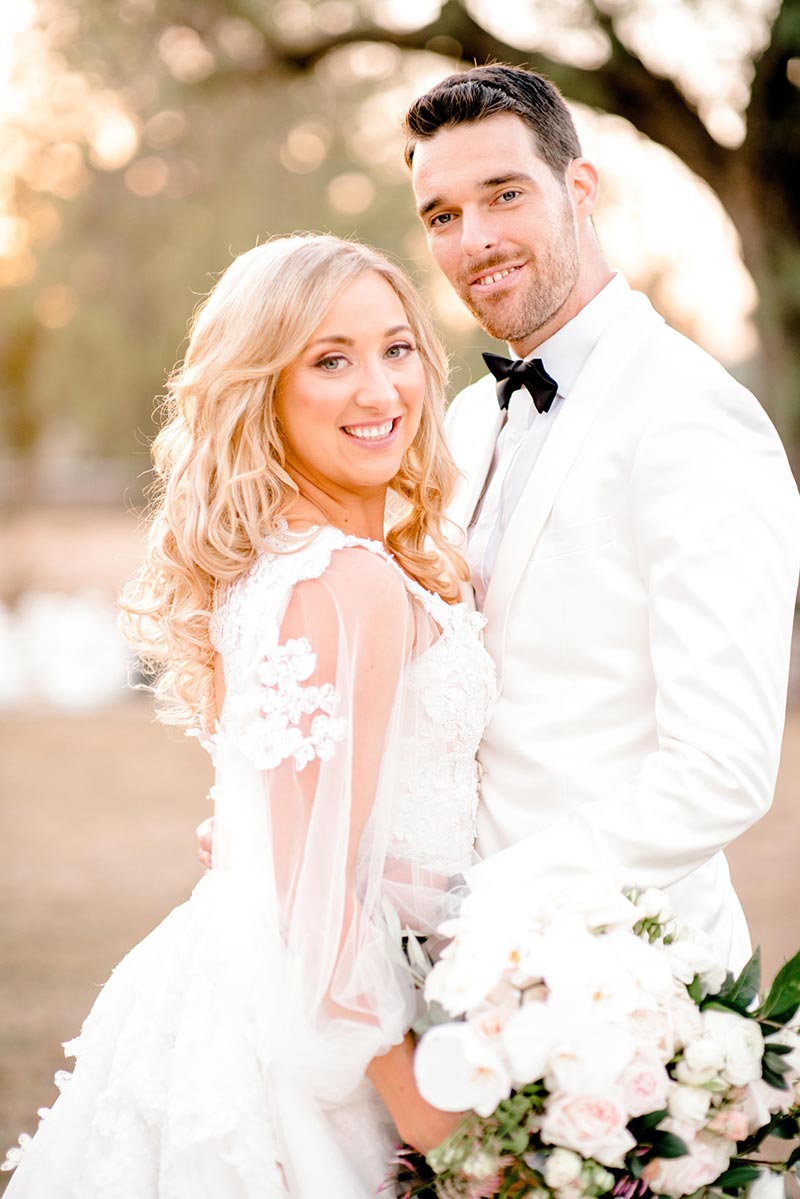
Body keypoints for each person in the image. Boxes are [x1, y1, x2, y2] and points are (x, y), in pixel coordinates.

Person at [2, 234, 496, 1197]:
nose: (380, 391)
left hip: (252, 980)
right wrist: (428, 1112)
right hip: (323, 1044)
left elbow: (293, 834)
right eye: (330, 360)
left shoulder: (294, 559)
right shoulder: (345, 582)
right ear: (261, 388)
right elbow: (317, 907)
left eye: (397, 349)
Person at [401, 63, 800, 968]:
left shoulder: (692, 415)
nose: (476, 240)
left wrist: (486, 899)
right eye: (443, 215)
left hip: (629, 979)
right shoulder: (470, 418)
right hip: (458, 976)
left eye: (505, 194)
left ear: (579, 187)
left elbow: (722, 770)